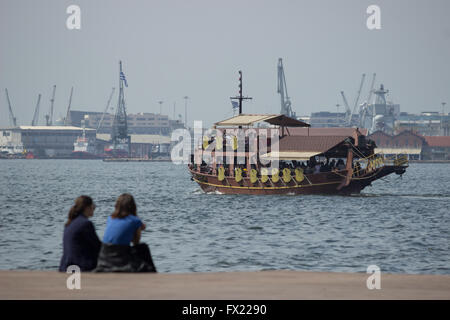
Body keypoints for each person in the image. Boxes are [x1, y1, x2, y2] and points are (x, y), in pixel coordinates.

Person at [95, 193, 156, 272]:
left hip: (104, 258)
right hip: (121, 258)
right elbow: (136, 243)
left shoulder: (110, 218)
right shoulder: (135, 220)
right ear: (133, 206)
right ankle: (153, 274)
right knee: (143, 247)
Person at [59, 195, 101, 272]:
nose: (94, 208)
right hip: (80, 267)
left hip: (65, 266)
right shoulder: (86, 224)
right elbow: (97, 246)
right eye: (93, 206)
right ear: (87, 207)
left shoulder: (69, 223)